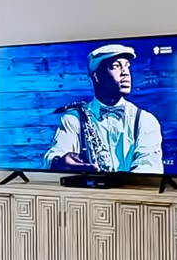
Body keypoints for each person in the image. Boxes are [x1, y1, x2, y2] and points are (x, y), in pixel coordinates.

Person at [44, 43, 165, 174]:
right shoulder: (73, 119)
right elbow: (54, 154)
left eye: (127, 66)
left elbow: (149, 169)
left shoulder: (146, 120)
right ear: (96, 76)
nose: (125, 73)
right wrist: (59, 162)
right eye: (115, 66)